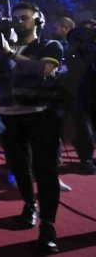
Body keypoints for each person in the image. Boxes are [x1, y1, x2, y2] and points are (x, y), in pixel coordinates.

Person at [0, 2, 63, 253]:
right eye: (15, 18)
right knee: (19, 167)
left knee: (46, 171)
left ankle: (48, 225)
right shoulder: (2, 49)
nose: (19, 21)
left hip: (42, 116)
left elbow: (44, 69)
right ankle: (30, 204)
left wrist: (10, 54)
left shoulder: (50, 45)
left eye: (24, 17)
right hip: (9, 117)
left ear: (38, 20)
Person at [51, 17, 95, 174]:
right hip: (64, 93)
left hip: (83, 94)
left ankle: (86, 159)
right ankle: (56, 158)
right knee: (58, 127)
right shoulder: (60, 47)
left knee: (85, 129)